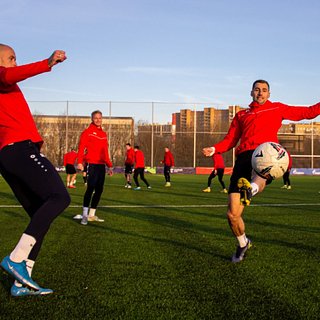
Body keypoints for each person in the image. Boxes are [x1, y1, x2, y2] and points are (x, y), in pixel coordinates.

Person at [203, 79, 320, 263]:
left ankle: (251, 189)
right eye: (257, 90)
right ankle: (243, 243)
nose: (260, 93)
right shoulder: (242, 115)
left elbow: (307, 112)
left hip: (267, 154)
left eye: (264, 90)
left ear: (269, 94)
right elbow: (231, 140)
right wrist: (215, 148)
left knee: (261, 172)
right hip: (243, 158)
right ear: (251, 92)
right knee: (232, 215)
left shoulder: (277, 108)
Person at [0, 44, 70, 296]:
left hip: (12, 153)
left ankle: (21, 282)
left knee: (40, 215)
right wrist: (47, 62)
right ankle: (16, 259)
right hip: (18, 149)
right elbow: (8, 74)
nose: (15, 63)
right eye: (11, 58)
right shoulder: (3, 77)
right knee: (60, 197)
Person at [75, 110, 113, 225]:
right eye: (96, 118)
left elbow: (105, 152)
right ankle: (84, 216)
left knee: (99, 190)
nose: (98, 120)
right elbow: (81, 148)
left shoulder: (104, 134)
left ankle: (92, 215)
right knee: (90, 188)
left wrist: (109, 166)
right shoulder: (87, 132)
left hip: (101, 166)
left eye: (100, 118)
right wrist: (80, 162)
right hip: (91, 164)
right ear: (92, 119)